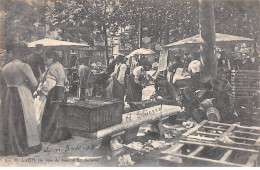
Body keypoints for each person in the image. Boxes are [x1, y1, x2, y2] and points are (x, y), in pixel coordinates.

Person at [0, 43, 42, 156]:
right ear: (21, 53)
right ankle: (24, 144)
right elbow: (34, 83)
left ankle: (9, 145)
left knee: (9, 119)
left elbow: (3, 83)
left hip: (8, 94)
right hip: (21, 93)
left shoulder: (5, 66)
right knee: (24, 118)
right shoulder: (24, 66)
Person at [35, 50, 71, 143]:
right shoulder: (59, 66)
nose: (45, 61)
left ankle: (49, 136)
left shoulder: (53, 67)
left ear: (52, 58)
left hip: (54, 92)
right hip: (60, 91)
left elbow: (50, 83)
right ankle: (58, 135)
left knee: (50, 114)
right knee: (58, 114)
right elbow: (65, 80)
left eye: (46, 59)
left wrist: (41, 91)